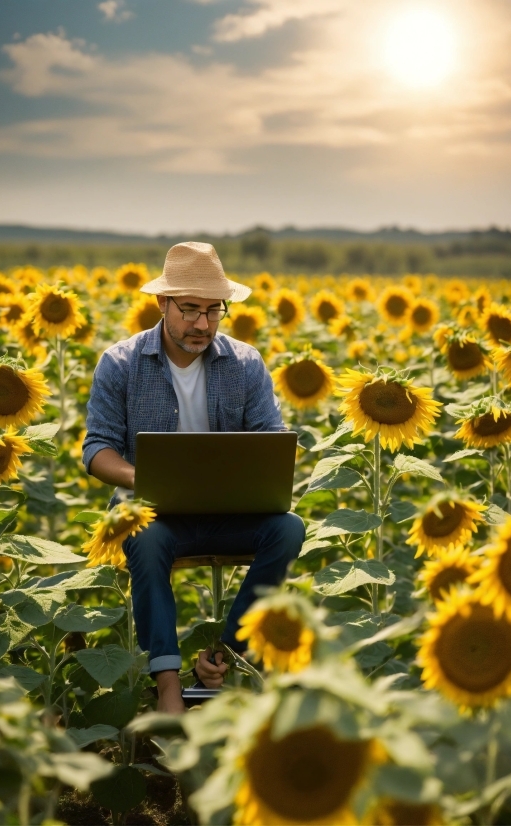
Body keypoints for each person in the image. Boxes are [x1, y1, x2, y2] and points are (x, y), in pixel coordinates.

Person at [82, 241, 305, 713]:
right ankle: (167, 683)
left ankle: (222, 658)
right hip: (157, 515)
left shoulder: (246, 364)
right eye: (190, 310)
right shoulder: (121, 363)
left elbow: (270, 437)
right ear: (162, 304)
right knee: (143, 539)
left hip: (230, 515)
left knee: (288, 529)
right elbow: (96, 448)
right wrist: (144, 479)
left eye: (213, 311)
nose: (202, 324)